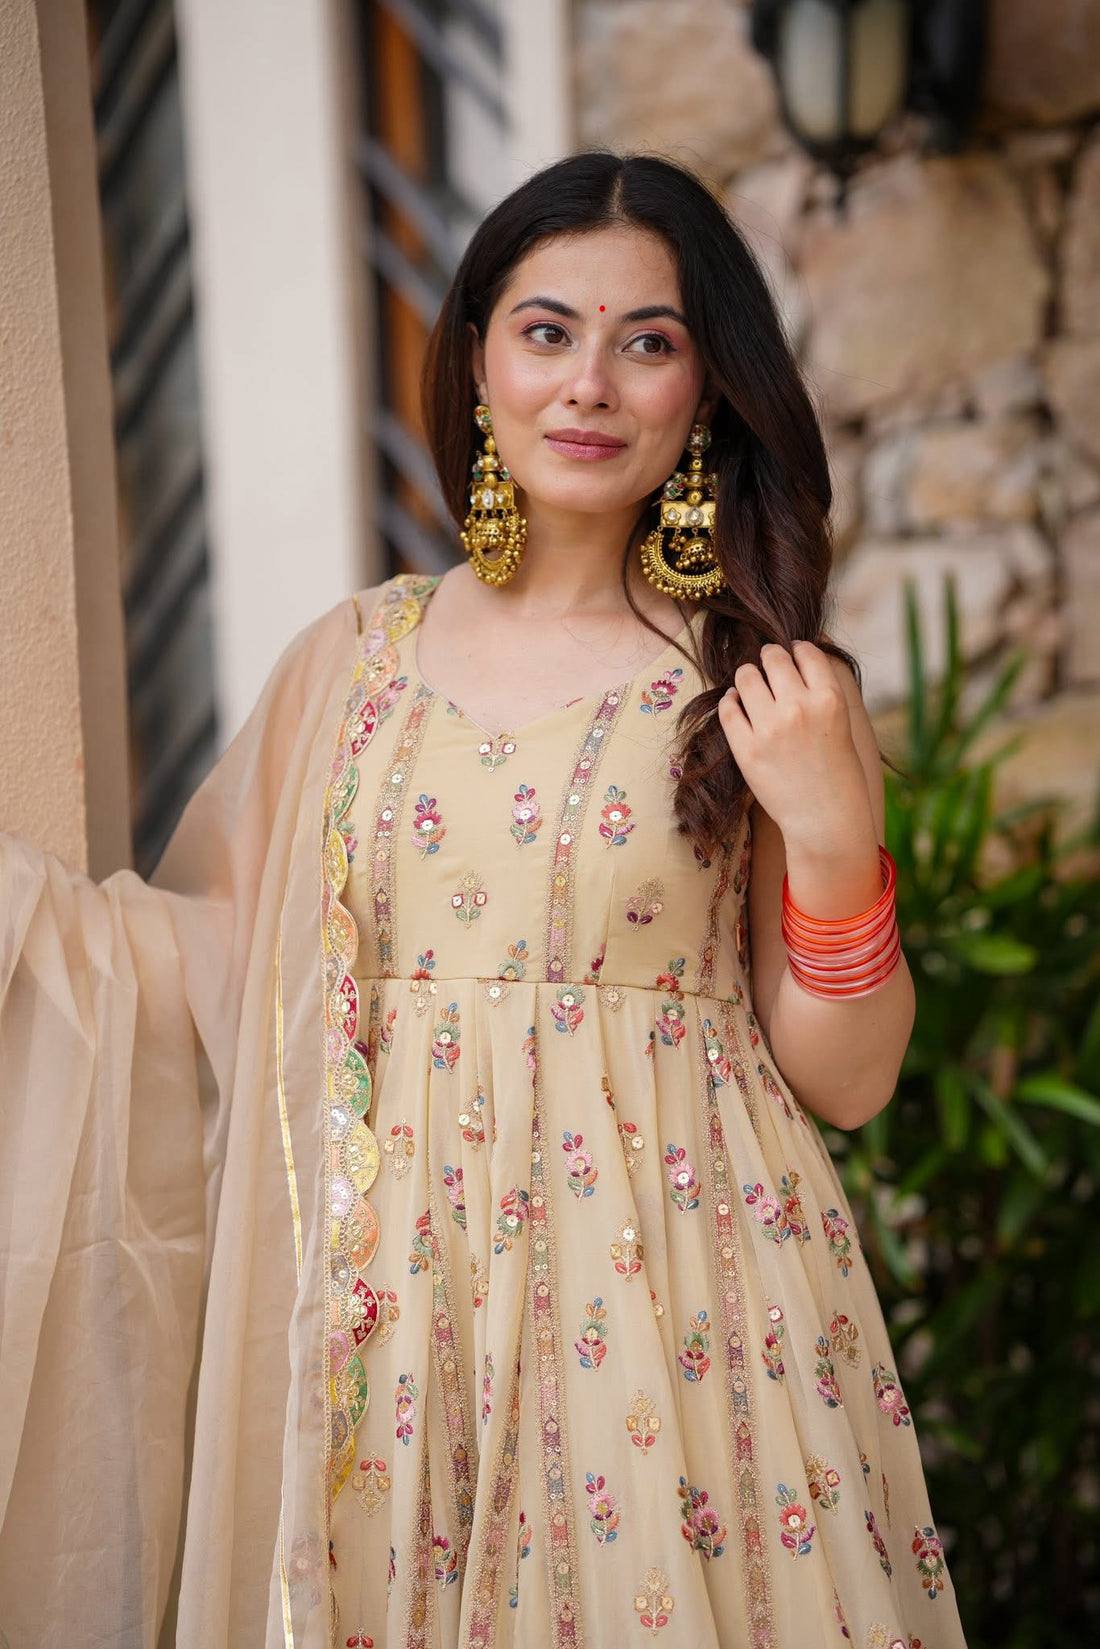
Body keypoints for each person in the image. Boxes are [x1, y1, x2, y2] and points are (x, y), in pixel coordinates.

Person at [0, 150, 969, 1648]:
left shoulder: (757, 680)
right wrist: (30, 925)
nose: (590, 383)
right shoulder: (355, 660)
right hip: (393, 1311)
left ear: (707, 393)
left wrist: (838, 842)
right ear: (478, 362)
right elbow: (215, 961)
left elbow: (847, 1079)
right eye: (547, 330)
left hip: (677, 1307)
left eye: (648, 342)